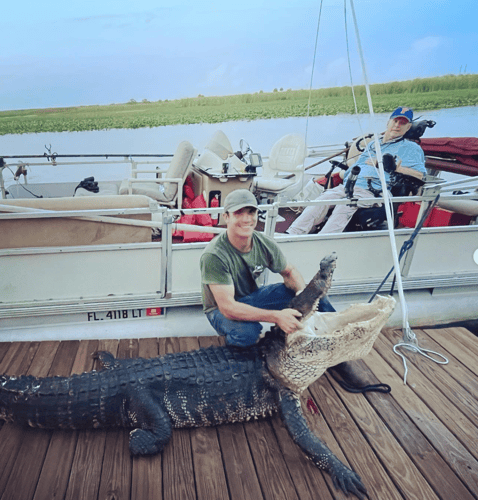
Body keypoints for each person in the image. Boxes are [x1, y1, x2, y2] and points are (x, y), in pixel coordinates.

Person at [200, 188, 334, 347]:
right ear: (226, 217)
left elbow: (289, 272)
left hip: (252, 296)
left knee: (316, 297)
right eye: (238, 213)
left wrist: (302, 296)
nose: (246, 219)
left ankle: (336, 339)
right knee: (247, 333)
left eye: (251, 212)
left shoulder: (263, 242)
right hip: (219, 310)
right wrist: (277, 316)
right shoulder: (214, 255)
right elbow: (228, 307)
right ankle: (235, 355)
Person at [287, 106, 427, 235]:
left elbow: (421, 176)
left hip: (373, 191)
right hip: (349, 186)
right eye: (395, 121)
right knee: (321, 200)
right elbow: (358, 165)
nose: (397, 125)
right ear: (388, 122)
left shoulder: (411, 148)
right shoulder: (373, 144)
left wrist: (398, 168)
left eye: (402, 123)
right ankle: (292, 234)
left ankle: (324, 239)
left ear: (408, 127)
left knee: (346, 205)